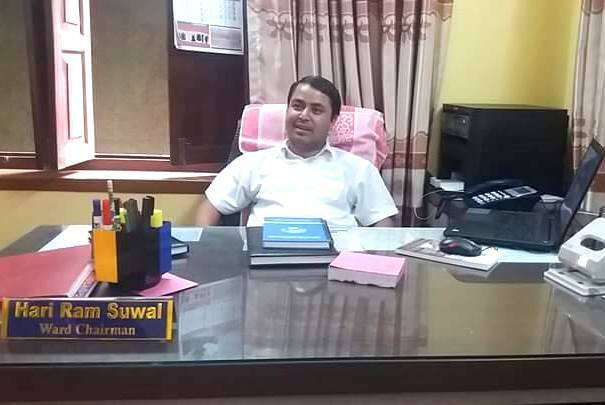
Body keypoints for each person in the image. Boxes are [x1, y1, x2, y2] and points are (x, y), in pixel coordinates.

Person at [196, 75, 398, 227]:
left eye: (316, 110)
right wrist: (206, 252)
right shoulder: (253, 163)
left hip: (334, 262)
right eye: (297, 106)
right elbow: (210, 205)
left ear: (333, 121)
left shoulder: (358, 168)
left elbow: (382, 221)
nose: (303, 116)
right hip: (265, 262)